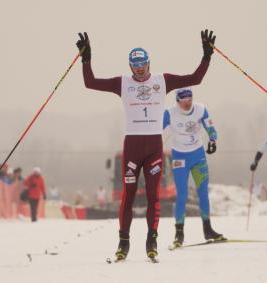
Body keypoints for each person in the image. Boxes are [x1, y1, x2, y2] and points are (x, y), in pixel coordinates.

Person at [76, 29, 216, 260]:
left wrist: (206, 56)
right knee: (128, 196)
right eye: (135, 65)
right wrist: (87, 58)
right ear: (131, 66)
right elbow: (90, 82)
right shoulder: (122, 83)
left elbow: (195, 79)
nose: (140, 68)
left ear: (149, 64)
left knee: (153, 196)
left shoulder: (163, 80)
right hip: (132, 146)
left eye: (143, 64)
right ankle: (124, 243)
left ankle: (152, 240)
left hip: (153, 148)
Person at [163, 88, 226, 247]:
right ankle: (179, 234)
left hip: (198, 156)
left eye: (189, 100)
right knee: (182, 195)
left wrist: (213, 140)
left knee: (203, 193)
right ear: (177, 101)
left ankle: (208, 230)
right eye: (184, 101)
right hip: (180, 158)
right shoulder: (169, 113)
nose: (187, 103)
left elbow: (210, 127)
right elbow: (156, 132)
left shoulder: (200, 109)